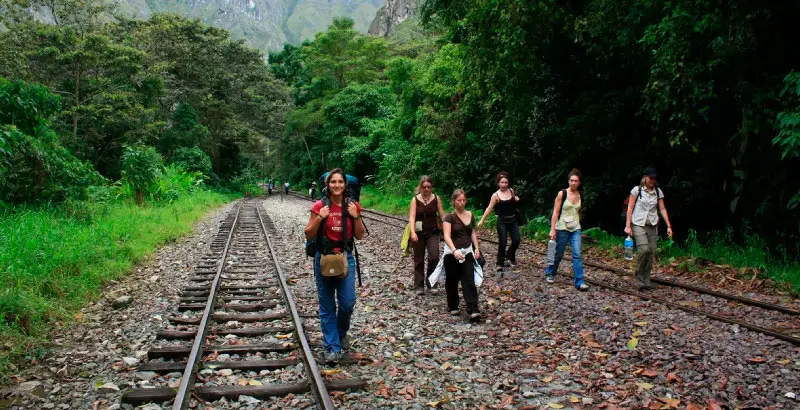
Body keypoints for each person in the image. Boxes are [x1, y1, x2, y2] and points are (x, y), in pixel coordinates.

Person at [304, 169, 366, 363]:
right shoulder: (319, 206)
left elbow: (360, 235)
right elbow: (308, 233)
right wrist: (320, 217)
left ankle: (340, 333)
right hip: (324, 258)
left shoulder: (352, 206)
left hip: (345, 257)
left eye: (340, 182)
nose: (337, 185)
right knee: (327, 303)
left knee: (347, 303)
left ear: (345, 185)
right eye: (333, 182)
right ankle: (332, 346)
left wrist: (356, 216)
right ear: (327, 185)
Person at [624, 167, 673, 291]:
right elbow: (630, 208)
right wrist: (628, 225)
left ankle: (646, 280)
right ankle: (639, 277)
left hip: (652, 224)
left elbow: (662, 209)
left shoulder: (657, 191)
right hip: (638, 223)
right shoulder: (637, 190)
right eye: (650, 178)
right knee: (644, 249)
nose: (652, 180)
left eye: (654, 178)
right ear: (645, 177)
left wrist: (668, 225)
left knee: (651, 252)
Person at [544, 169, 590, 291]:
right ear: (568, 181)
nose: (573, 183)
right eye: (571, 180)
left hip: (575, 228)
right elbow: (555, 212)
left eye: (576, 181)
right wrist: (552, 229)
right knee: (558, 253)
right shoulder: (562, 193)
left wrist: (578, 223)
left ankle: (579, 281)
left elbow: (578, 211)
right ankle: (550, 272)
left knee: (577, 254)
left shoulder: (581, 195)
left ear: (579, 183)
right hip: (562, 227)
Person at [442, 189, 482, 320]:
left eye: (464, 200)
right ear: (454, 201)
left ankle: (473, 309)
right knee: (452, 280)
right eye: (459, 200)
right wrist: (454, 250)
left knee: (469, 279)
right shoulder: (449, 217)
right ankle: (453, 305)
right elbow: (446, 236)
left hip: (467, 251)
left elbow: (472, 232)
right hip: (452, 253)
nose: (462, 203)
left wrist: (476, 247)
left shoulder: (470, 214)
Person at [408, 176, 446, 296]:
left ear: (431, 187)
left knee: (434, 256)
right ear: (420, 187)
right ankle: (418, 285)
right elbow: (412, 217)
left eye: (428, 187)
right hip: (418, 233)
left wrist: (449, 228)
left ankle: (431, 282)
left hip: (433, 232)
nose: (426, 189)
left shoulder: (436, 198)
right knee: (418, 260)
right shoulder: (415, 200)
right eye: (424, 187)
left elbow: (442, 216)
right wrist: (413, 232)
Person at [477, 171, 520, 272]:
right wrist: (482, 220)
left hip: (513, 220)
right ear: (498, 183)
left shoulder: (511, 191)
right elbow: (489, 209)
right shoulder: (495, 195)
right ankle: (500, 262)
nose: (504, 184)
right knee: (503, 242)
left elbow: (514, 203)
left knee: (516, 240)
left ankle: (509, 254)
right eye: (502, 182)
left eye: (506, 182)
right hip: (502, 222)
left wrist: (516, 199)